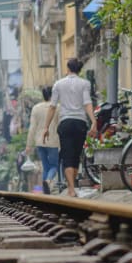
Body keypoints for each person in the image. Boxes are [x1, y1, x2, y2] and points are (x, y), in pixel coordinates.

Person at [43, 58, 95, 197]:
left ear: (68, 68)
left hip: (65, 123)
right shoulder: (85, 83)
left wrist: (46, 127)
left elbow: (52, 106)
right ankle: (73, 187)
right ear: (79, 69)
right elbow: (87, 103)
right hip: (80, 124)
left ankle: (71, 189)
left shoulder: (58, 84)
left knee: (67, 156)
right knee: (76, 156)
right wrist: (94, 122)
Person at [26, 86, 60, 194]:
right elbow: (60, 125)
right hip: (53, 140)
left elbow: (32, 128)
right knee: (54, 165)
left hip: (40, 142)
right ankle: (48, 180)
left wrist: (29, 145)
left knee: (46, 167)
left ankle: (46, 193)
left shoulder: (36, 108)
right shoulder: (57, 107)